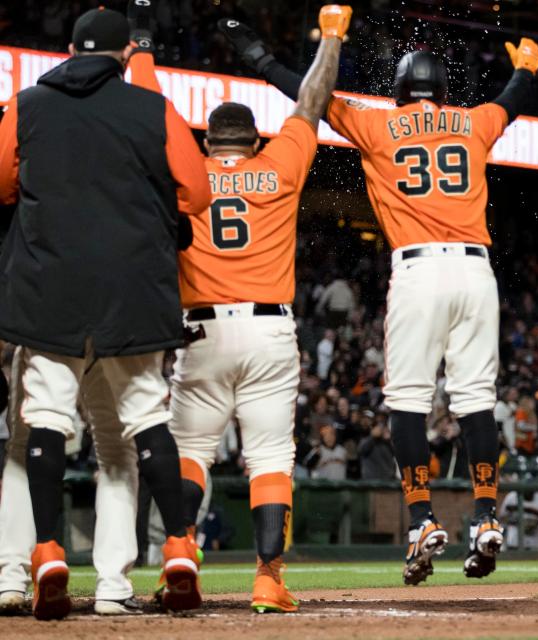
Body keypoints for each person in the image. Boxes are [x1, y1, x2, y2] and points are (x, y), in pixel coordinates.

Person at [219, 19, 538, 584]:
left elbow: (307, 92)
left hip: (419, 270)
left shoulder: (379, 125)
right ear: (444, 89)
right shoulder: (472, 123)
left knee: (408, 401)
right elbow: (511, 101)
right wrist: (526, 68)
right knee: (474, 399)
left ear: (398, 89)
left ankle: (421, 519)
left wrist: (255, 52)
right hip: (476, 271)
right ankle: (487, 515)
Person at [126, 1, 349, 613]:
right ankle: (267, 578)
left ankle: (181, 555)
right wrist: (329, 36)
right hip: (269, 331)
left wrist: (141, 43)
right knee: (271, 457)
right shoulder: (276, 165)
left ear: (207, 140)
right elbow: (312, 103)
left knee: (191, 453)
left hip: (198, 333)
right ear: (253, 141)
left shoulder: (188, 172)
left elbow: (149, 113)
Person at [0, 7, 211, 620]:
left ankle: (39, 555)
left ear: (68, 49)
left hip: (49, 289)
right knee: (138, 428)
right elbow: (195, 194)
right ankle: (161, 556)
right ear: (125, 55)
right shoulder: (152, 107)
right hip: (132, 292)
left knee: (37, 424)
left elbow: (1, 184)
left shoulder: (27, 104)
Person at [0, 348, 143, 616]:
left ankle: (9, 581)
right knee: (116, 451)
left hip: (44, 331)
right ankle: (113, 588)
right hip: (107, 334)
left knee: (24, 446)